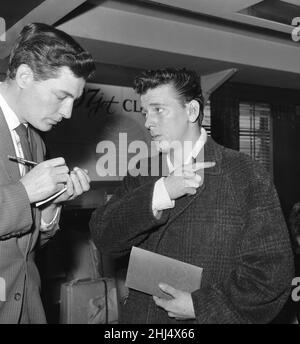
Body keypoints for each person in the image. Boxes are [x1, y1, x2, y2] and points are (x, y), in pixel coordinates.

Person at [90, 67, 294, 324]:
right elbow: (103, 236)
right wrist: (162, 192)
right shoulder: (141, 172)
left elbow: (272, 274)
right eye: (145, 112)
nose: (148, 122)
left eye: (158, 110)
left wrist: (200, 306)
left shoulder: (245, 174)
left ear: (192, 111)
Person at [0, 22, 95, 323]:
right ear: (25, 75)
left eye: (74, 101)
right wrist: (26, 192)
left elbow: (22, 247)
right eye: (61, 96)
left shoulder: (36, 142)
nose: (67, 113)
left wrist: (51, 205)